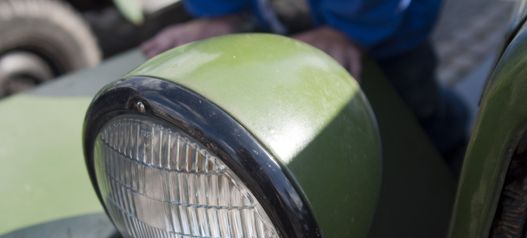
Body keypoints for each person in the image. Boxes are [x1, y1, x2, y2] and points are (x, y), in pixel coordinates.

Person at [141, 0, 468, 165]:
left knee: (413, 110)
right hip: (287, 21)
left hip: (385, 34)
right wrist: (220, 13)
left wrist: (349, 29)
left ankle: (456, 151)